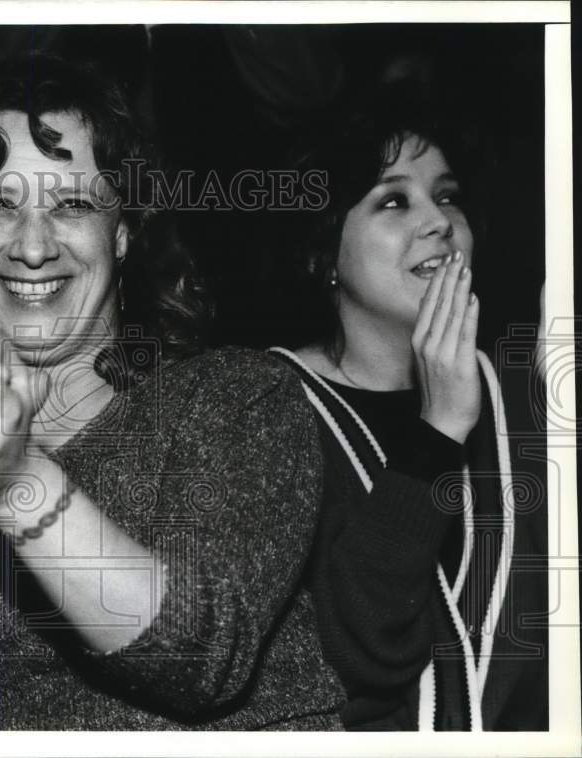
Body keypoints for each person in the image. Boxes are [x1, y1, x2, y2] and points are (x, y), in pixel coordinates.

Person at [0, 53, 345, 730]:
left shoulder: (235, 398)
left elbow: (203, 657)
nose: (33, 246)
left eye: (72, 205)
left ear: (121, 235)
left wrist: (14, 479)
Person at [270, 85, 548, 730]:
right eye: (394, 200)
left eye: (447, 196)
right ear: (322, 252)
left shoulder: (529, 398)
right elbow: (353, 657)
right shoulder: (268, 410)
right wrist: (439, 431)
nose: (438, 220)